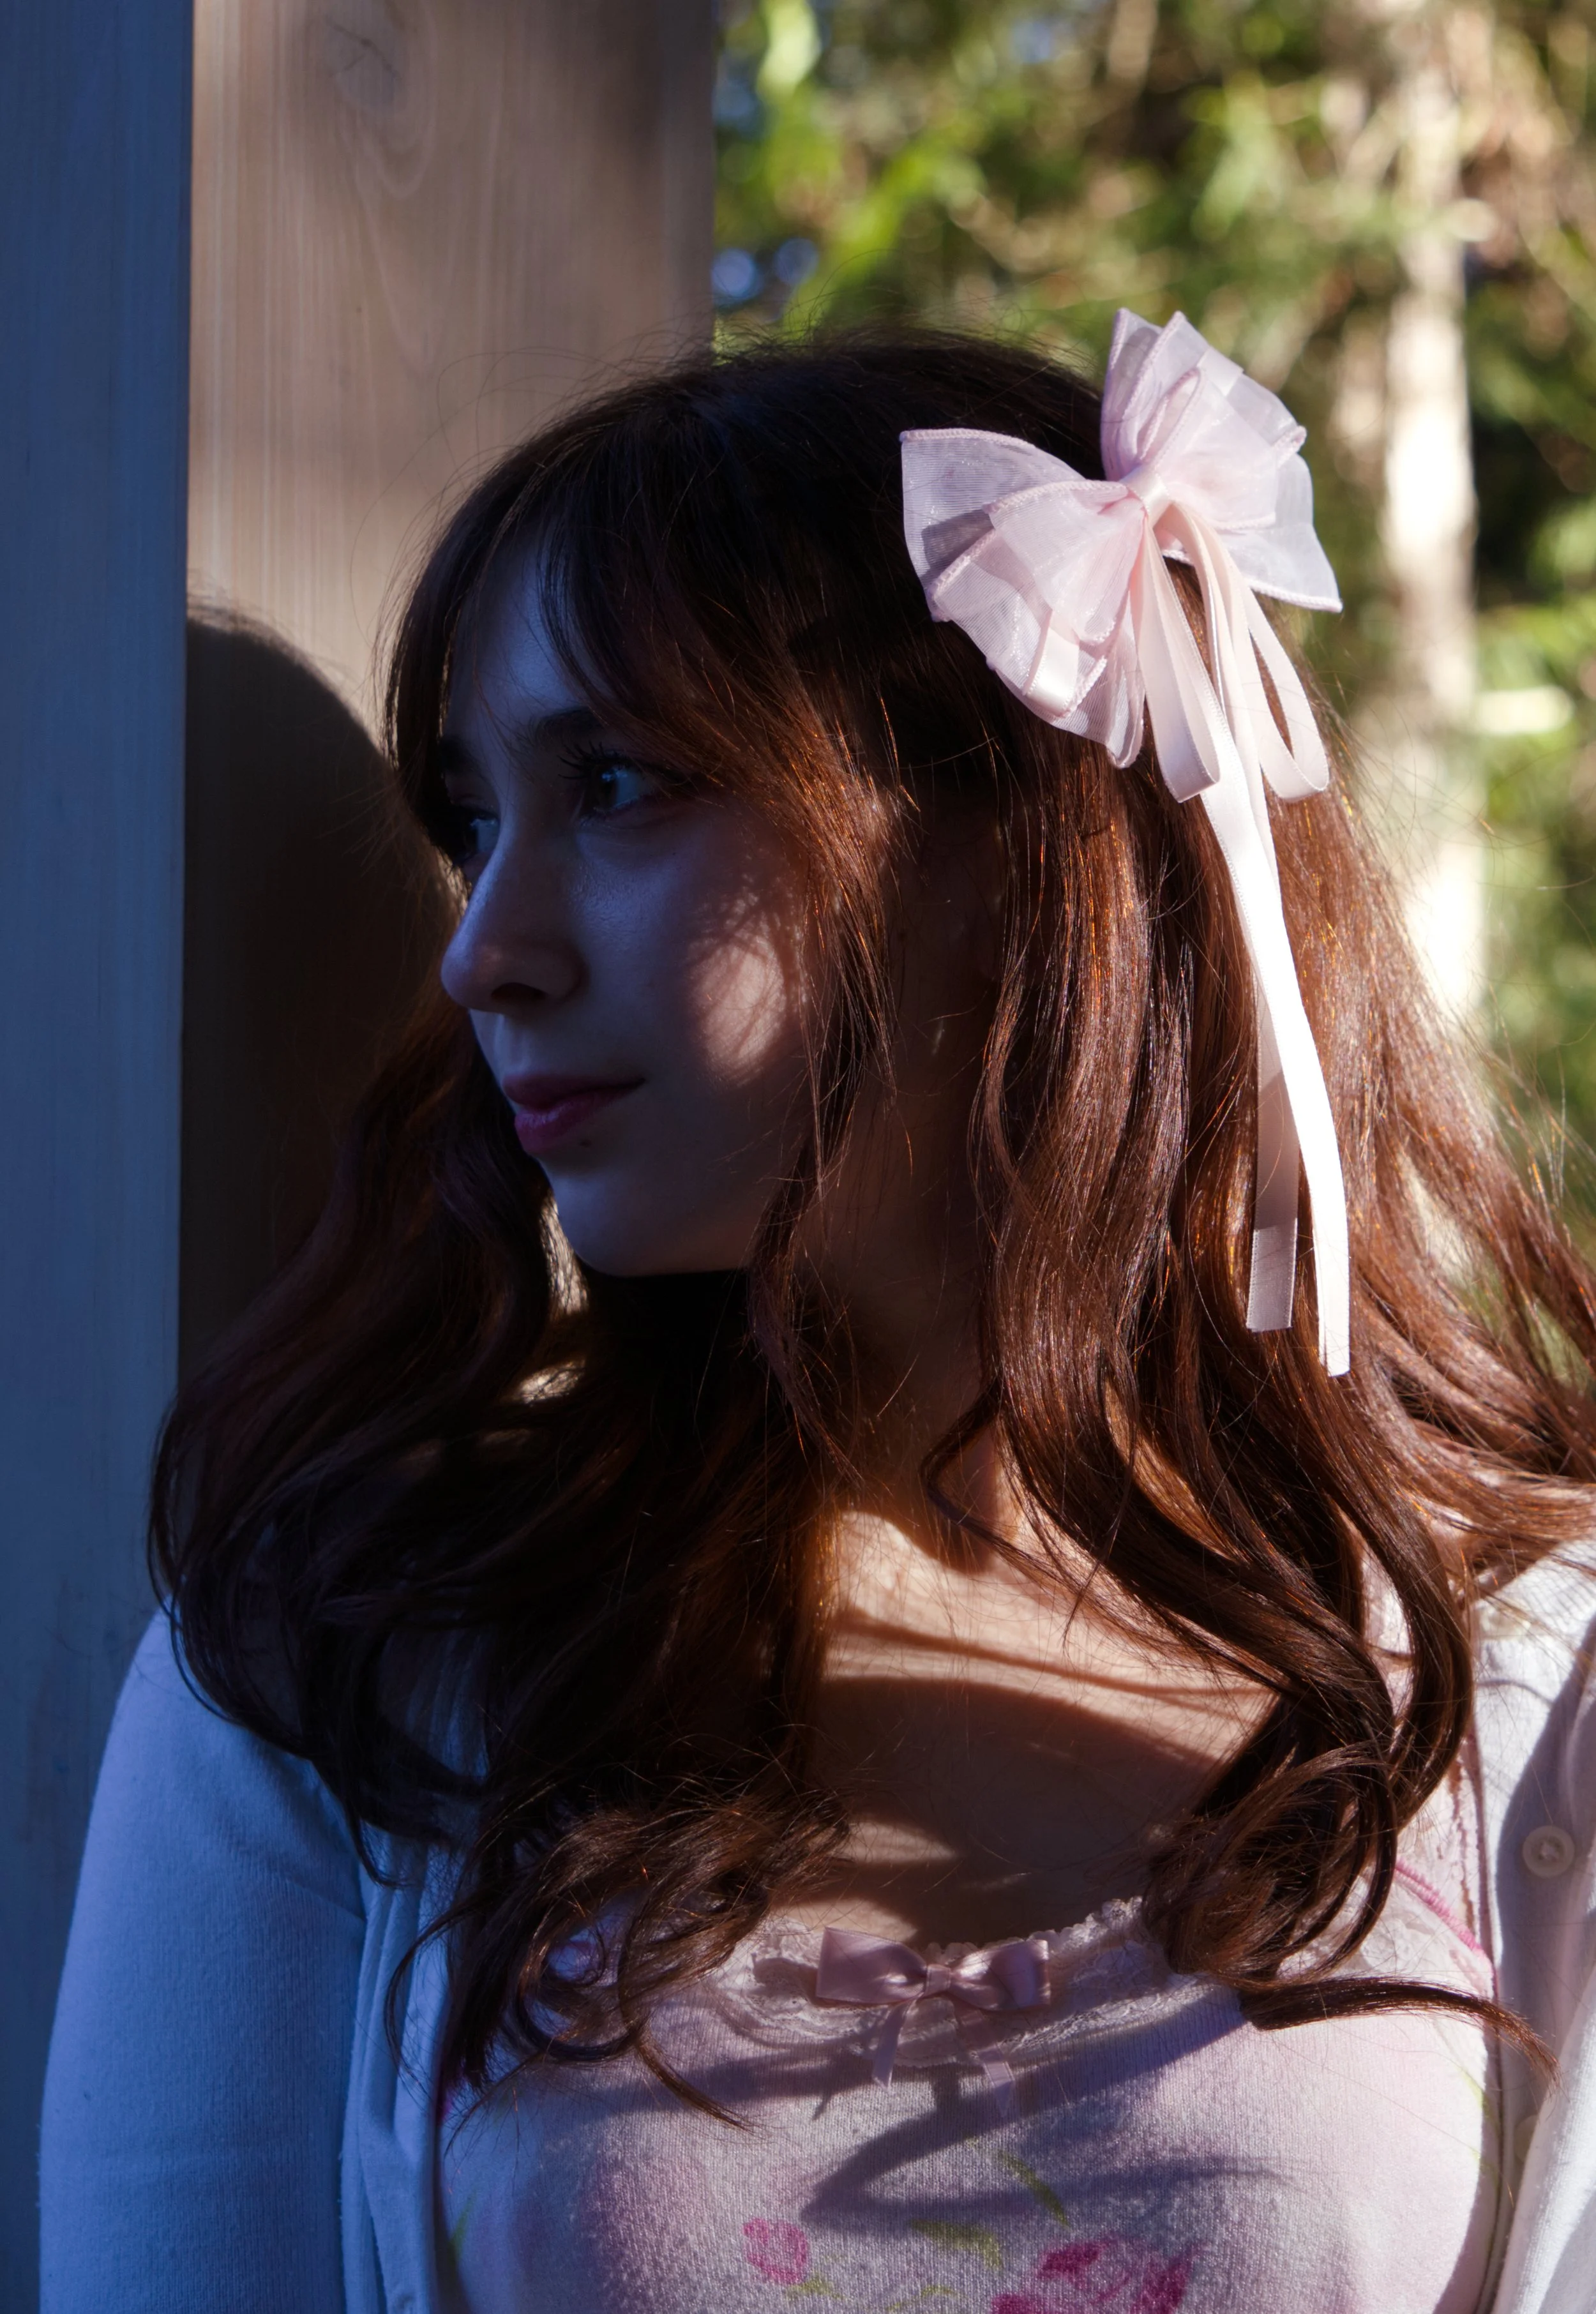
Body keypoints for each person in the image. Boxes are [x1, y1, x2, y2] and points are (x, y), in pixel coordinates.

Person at [39, 317, 1596, 2314]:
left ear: (1022, 836)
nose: (486, 951)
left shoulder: (1535, 1686)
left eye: (613, 784)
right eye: (472, 821)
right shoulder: (352, 1659)